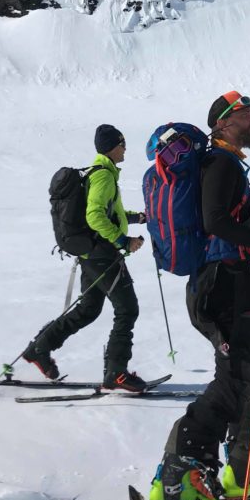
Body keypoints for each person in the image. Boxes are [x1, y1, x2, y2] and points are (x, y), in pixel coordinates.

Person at [148, 91, 250, 500]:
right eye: (247, 114)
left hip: (232, 283)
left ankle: (244, 468)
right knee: (235, 379)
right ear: (224, 122)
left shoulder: (225, 163)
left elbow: (225, 221)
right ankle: (177, 482)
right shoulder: (221, 163)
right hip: (221, 287)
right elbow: (215, 223)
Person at [23, 124, 148, 392]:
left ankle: (39, 349)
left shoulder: (101, 173)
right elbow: (95, 216)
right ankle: (116, 372)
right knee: (127, 309)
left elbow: (110, 213)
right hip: (102, 254)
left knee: (88, 309)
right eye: (123, 144)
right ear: (114, 146)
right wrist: (123, 240)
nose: (125, 149)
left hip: (92, 254)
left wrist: (139, 218)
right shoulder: (103, 176)